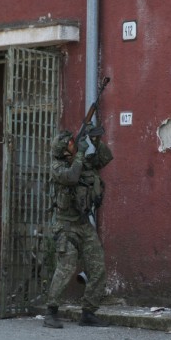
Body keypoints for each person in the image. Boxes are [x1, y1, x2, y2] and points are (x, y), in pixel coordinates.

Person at [44, 125, 113, 328]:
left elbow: (105, 158)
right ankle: (51, 311)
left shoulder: (81, 162)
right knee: (66, 268)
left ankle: (88, 312)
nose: (75, 145)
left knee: (97, 266)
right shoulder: (57, 167)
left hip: (83, 224)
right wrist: (82, 152)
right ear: (64, 149)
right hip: (65, 226)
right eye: (72, 143)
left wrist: (96, 142)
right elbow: (72, 177)